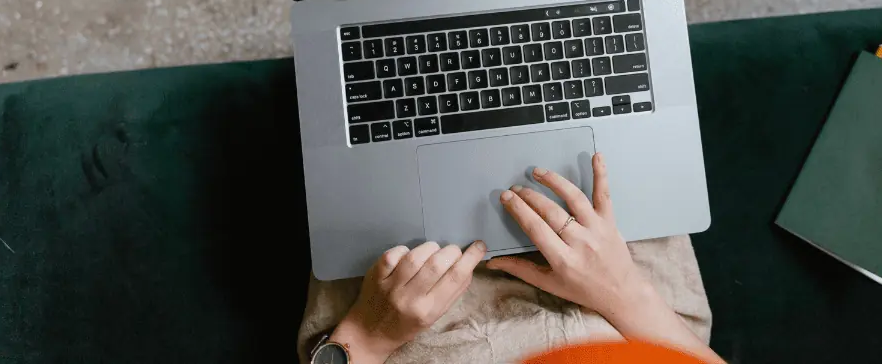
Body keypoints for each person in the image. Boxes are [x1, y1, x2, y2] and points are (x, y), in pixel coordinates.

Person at [310, 153, 725, 364]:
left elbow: (362, 338)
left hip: (412, 315)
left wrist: (366, 336)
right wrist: (625, 293)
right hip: (642, 313)